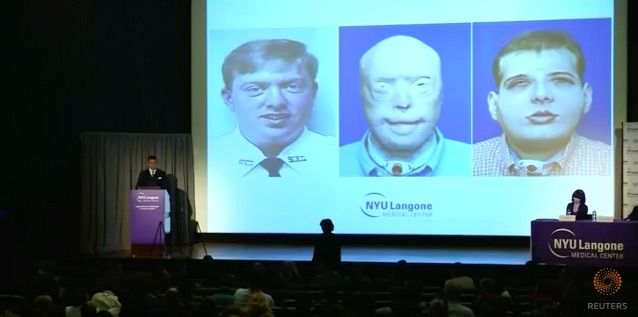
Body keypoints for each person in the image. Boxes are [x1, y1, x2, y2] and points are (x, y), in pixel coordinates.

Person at [473, 30, 610, 176]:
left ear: (586, 97)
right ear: (494, 105)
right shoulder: (468, 162)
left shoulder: (610, 162)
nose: (541, 95)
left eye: (561, 80)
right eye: (520, 83)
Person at [340, 35, 470, 176]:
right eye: (382, 86)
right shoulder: (334, 164)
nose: (403, 103)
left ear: (441, 93)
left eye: (421, 85)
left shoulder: (473, 163)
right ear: (363, 96)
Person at [211, 39, 336, 178]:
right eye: (255, 89)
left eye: (292, 86)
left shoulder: (338, 156)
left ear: (313, 93)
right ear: (229, 98)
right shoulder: (206, 157)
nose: (276, 102)